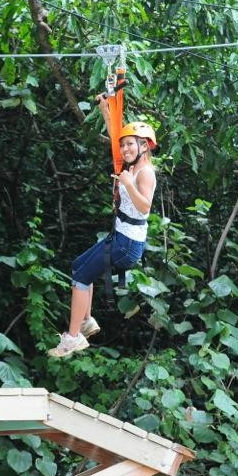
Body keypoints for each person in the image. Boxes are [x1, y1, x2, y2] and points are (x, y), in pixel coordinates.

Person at [47, 96, 158, 358]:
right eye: (124, 145)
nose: (125, 148)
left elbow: (145, 207)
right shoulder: (130, 165)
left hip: (127, 244)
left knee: (80, 279)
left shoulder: (144, 172)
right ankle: (86, 321)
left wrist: (127, 184)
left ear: (144, 146)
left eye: (130, 144)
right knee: (78, 266)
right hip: (120, 238)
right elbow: (116, 135)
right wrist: (106, 110)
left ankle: (73, 337)